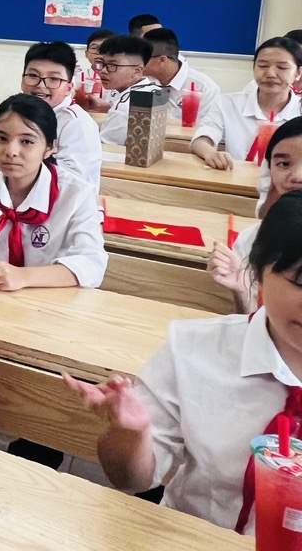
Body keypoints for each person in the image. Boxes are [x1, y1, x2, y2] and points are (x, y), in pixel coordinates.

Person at [66, 191, 302, 534]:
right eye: (300, 280)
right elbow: (130, 479)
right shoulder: (193, 350)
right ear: (257, 271)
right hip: (194, 536)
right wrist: (130, 433)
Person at [0, 93, 107, 291]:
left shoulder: (76, 193)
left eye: (26, 141)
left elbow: (92, 263)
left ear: (50, 148)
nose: (11, 151)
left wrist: (23, 276)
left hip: (45, 301)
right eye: (1, 138)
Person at [0, 41, 101, 191]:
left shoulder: (76, 124)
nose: (41, 85)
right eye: (33, 76)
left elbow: (73, 183)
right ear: (22, 80)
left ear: (69, 88)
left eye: (54, 79)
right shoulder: (14, 111)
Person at [207, 118, 302, 312]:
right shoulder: (251, 239)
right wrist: (242, 290)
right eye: (284, 164)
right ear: (269, 170)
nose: (297, 175)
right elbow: (257, 323)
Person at [192, 37, 302, 168]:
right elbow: (202, 138)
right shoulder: (227, 103)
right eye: (263, 66)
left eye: (282, 67)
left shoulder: (299, 110)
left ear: (298, 73)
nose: (271, 74)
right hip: (235, 177)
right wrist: (210, 153)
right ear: (253, 67)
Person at [142, 29, 220, 124]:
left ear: (162, 60)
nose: (138, 62)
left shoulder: (205, 88)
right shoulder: (140, 81)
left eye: (143, 58)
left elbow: (206, 127)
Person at [95, 35, 162, 145]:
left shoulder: (125, 106)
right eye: (101, 63)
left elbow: (104, 146)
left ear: (137, 70)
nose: (103, 70)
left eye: (112, 65)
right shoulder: (156, 90)